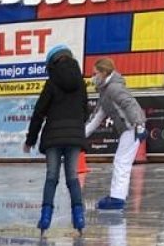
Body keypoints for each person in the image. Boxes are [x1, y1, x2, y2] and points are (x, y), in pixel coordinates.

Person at [25, 45, 89, 234]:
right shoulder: (80, 83)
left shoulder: (51, 82)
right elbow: (85, 110)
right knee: (72, 177)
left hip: (53, 136)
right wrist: (76, 127)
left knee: (51, 177)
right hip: (74, 137)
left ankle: (45, 218)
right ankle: (79, 217)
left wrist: (30, 140)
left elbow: (39, 112)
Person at [88, 58, 146, 211]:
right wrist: (81, 135)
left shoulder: (113, 88)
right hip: (130, 128)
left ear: (103, 73)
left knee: (121, 162)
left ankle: (117, 198)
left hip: (132, 127)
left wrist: (139, 125)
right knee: (122, 161)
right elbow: (97, 116)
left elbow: (130, 104)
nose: (93, 77)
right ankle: (118, 196)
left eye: (95, 73)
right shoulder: (105, 92)